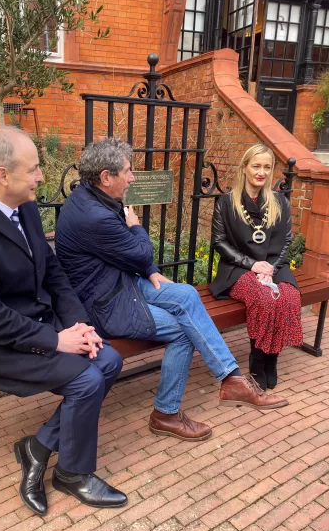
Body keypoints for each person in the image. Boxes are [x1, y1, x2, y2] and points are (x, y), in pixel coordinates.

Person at [0, 127, 127, 516]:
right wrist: (57, 341)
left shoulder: (23, 207)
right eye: (34, 168)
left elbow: (53, 273)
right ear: (3, 174)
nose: (41, 176)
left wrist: (79, 326)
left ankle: (37, 447)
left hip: (35, 322)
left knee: (108, 360)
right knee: (87, 379)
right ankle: (72, 473)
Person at [55, 138, 288, 443]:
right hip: (107, 304)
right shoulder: (94, 215)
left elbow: (127, 256)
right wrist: (135, 225)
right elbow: (139, 253)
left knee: (187, 294)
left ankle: (231, 379)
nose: (133, 177)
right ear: (106, 176)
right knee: (181, 330)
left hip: (121, 284)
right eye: (128, 171)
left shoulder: (94, 196)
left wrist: (150, 271)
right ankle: (166, 413)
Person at [210, 143, 303, 390]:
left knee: (289, 297)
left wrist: (270, 268)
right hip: (238, 268)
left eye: (267, 167)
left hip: (275, 265)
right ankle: (257, 359)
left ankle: (272, 359)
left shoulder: (279, 202)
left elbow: (286, 241)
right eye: (256, 166)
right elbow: (219, 242)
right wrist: (252, 265)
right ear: (244, 168)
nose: (261, 172)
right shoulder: (227, 202)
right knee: (264, 298)